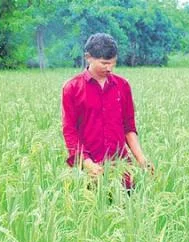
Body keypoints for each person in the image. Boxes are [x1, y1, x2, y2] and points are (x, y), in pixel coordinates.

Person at [61, 33, 152, 191]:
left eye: (113, 63)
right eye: (104, 63)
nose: (109, 68)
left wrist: (141, 158)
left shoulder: (122, 86)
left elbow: (129, 128)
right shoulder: (72, 88)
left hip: (121, 168)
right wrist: (87, 163)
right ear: (88, 57)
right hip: (89, 170)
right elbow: (70, 132)